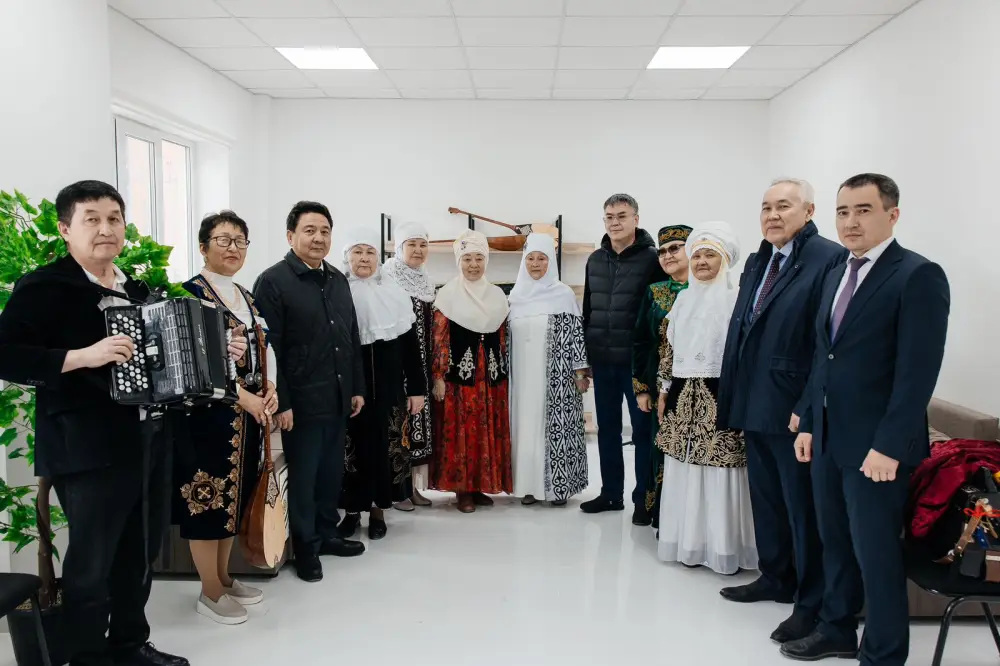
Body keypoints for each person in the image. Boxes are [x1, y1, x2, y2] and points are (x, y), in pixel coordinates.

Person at [0, 181, 189, 665]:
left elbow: (163, 359)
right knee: (91, 562)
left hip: (145, 438)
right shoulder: (44, 288)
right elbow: (7, 356)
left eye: (114, 219)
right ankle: (87, 656)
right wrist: (83, 356)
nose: (106, 229)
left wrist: (215, 357)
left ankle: (129, 644)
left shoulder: (138, 289)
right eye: (92, 219)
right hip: (84, 446)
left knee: (138, 554)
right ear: (66, 229)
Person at [783, 174, 950, 665]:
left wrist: (891, 445)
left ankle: (883, 652)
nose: (850, 221)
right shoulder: (836, 272)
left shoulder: (917, 275)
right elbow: (824, 357)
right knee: (833, 542)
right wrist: (811, 421)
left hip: (878, 450)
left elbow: (917, 374)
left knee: (876, 555)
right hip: (830, 439)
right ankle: (836, 628)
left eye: (863, 210)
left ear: (891, 215)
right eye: (842, 211)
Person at [715, 179, 847, 645]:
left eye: (783, 206)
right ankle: (776, 576)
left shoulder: (826, 258)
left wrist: (807, 406)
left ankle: (809, 602)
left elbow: (825, 344)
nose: (772, 215)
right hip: (752, 399)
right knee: (766, 501)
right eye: (766, 207)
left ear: (808, 210)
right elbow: (745, 327)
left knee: (802, 510)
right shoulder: (759, 260)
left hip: (792, 409)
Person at [252, 201, 366, 583]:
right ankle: (304, 546)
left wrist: (355, 387)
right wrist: (281, 401)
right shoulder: (274, 281)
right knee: (303, 476)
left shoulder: (337, 278)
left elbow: (351, 335)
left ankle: (326, 534)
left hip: (336, 397)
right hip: (299, 402)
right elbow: (270, 348)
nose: (318, 238)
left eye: (325, 231)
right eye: (310, 230)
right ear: (291, 236)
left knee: (330, 473)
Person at [172, 211, 277, 625]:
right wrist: (243, 396)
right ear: (203, 247)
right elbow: (194, 364)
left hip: (246, 418)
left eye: (240, 241)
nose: (233, 248)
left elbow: (263, 351)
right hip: (206, 419)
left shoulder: (246, 297)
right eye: (223, 240)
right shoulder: (190, 295)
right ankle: (209, 591)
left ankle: (224, 577)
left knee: (234, 499)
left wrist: (270, 389)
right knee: (208, 500)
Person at [654, 221, 756, 575]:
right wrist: (663, 388)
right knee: (685, 468)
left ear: (725, 260)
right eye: (696, 254)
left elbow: (747, 357)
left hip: (722, 396)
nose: (701, 261)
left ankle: (724, 549)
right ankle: (689, 543)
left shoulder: (736, 302)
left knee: (721, 471)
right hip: (683, 397)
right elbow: (668, 348)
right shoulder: (682, 300)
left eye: (710, 254)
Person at [336, 229, 426, 539]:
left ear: (379, 258)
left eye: (369, 252)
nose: (363, 258)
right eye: (357, 252)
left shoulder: (395, 294)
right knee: (352, 450)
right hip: (351, 389)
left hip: (389, 390)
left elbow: (411, 348)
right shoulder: (338, 293)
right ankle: (350, 512)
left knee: (386, 449)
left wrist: (417, 389)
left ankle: (378, 511)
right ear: (347, 257)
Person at [581, 193, 666, 525]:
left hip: (637, 363)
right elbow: (588, 310)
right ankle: (611, 493)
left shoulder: (653, 260)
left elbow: (659, 313)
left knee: (643, 433)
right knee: (607, 430)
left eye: (621, 215)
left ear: (636, 219)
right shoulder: (595, 260)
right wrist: (585, 360)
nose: (614, 222)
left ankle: (643, 498)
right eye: (609, 217)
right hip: (602, 360)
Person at [430, 229, 512, 513]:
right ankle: (462, 489)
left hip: (490, 380)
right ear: (458, 262)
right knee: (461, 432)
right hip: (458, 381)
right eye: (467, 259)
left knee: (484, 430)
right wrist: (438, 376)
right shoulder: (446, 296)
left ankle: (478, 486)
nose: (474, 265)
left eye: (479, 258)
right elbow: (439, 340)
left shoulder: (497, 296)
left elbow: (501, 340)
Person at [508, 233, 590, 506]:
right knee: (524, 427)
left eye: (542, 258)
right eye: (530, 258)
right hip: (521, 378)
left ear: (550, 262)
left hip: (557, 377)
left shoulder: (563, 294)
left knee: (555, 428)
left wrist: (580, 371)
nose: (535, 264)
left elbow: (577, 336)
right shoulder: (514, 297)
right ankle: (528, 487)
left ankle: (558, 488)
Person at [632, 224, 691, 526]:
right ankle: (658, 511)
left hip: (701, 386)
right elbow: (642, 341)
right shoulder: (655, 293)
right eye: (663, 251)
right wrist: (641, 388)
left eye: (675, 248)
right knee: (659, 446)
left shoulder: (710, 289)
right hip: (661, 388)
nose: (668, 255)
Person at [382, 222, 437, 509]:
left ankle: (413, 488)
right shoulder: (388, 279)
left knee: (418, 429)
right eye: (411, 244)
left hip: (421, 368)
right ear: (399, 248)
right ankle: (397, 490)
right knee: (398, 430)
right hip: (398, 368)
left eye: (422, 244)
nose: (418, 250)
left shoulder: (425, 280)